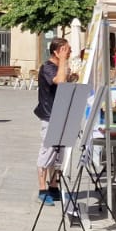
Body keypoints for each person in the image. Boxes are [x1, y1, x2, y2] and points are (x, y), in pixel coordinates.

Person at [34, 38, 74, 205]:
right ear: (58, 51)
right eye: (67, 50)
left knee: (59, 153)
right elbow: (61, 81)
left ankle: (54, 186)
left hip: (62, 114)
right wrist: (63, 60)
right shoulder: (48, 67)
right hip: (50, 115)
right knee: (48, 152)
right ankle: (42, 190)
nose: (70, 53)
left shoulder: (59, 66)